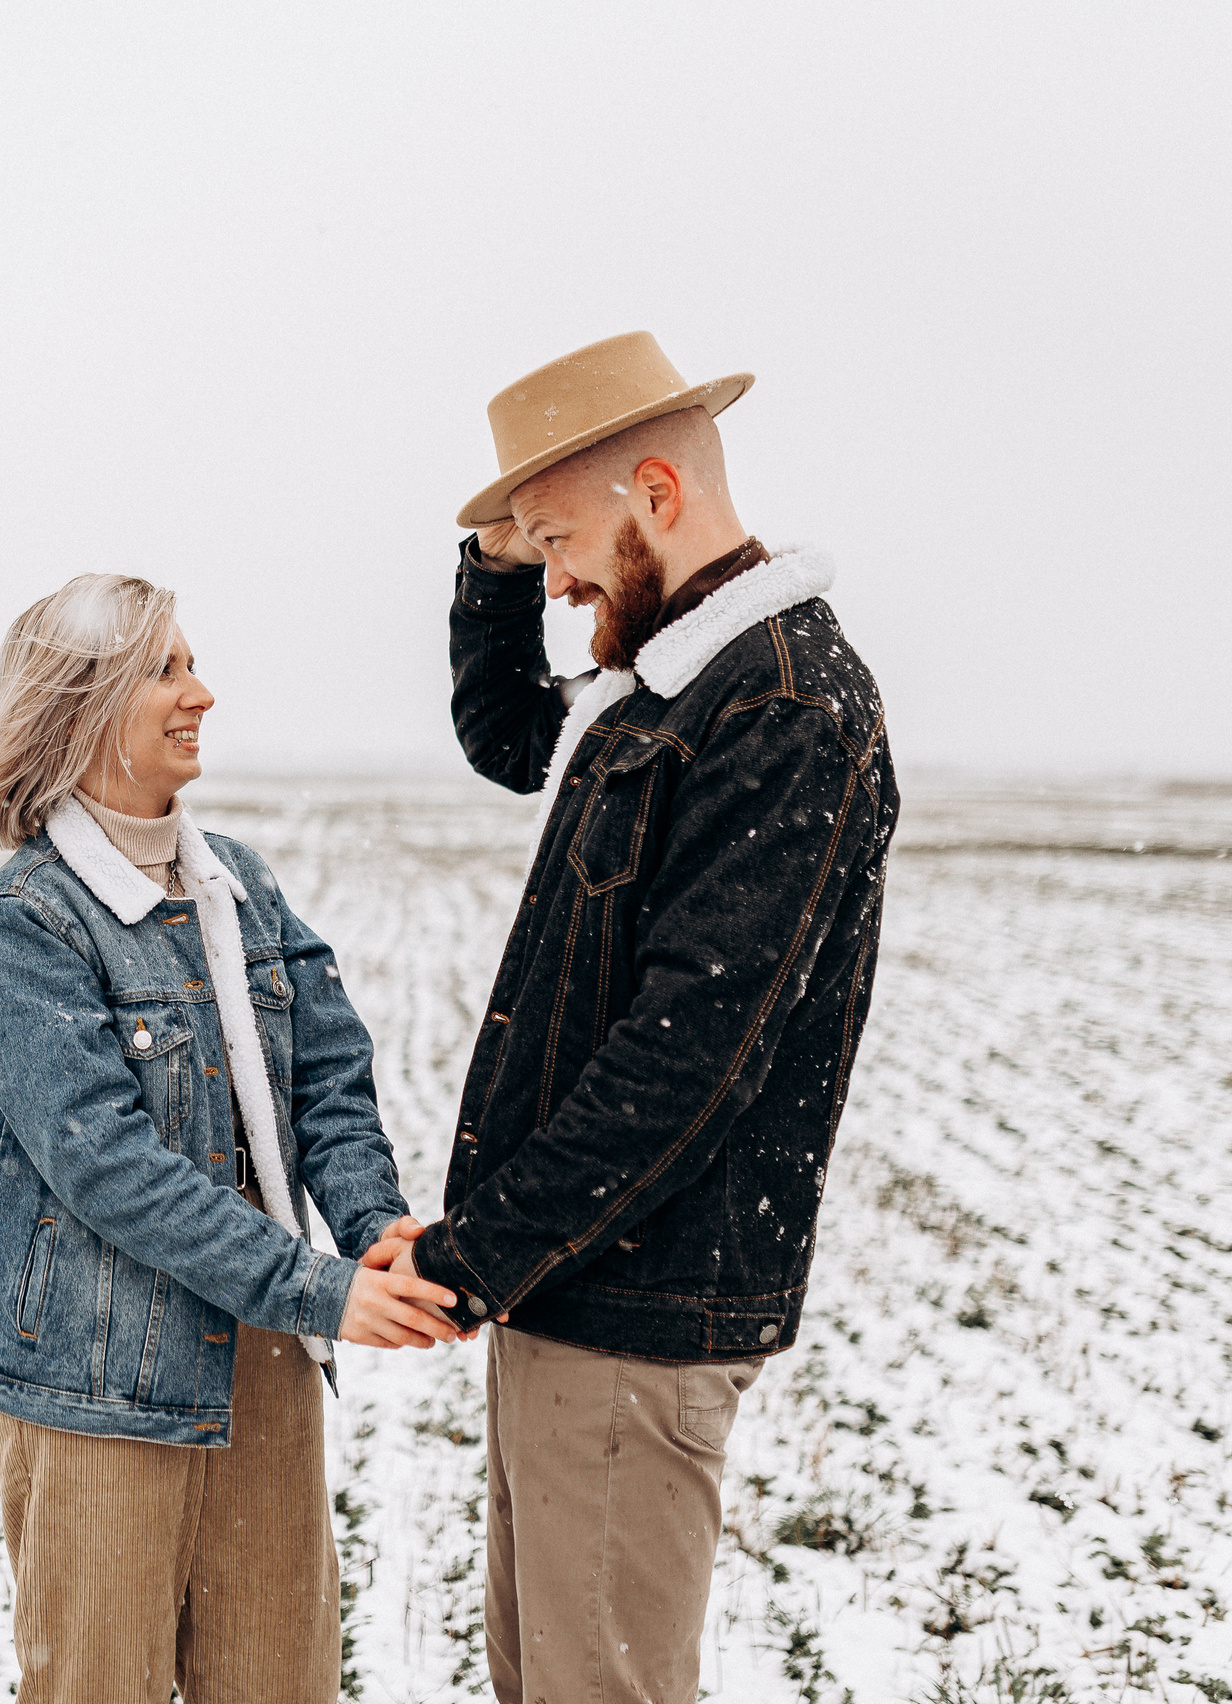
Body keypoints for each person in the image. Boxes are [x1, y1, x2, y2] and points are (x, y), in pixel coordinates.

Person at [383, 331, 896, 1704]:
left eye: (557, 541)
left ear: (656, 492)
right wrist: (494, 552)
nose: (553, 584)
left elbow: (693, 1056)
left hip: (635, 1309)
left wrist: (469, 1256)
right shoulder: (654, 689)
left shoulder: (780, 703)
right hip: (576, 1288)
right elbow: (505, 733)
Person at [0, 573, 460, 1703]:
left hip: (262, 1371)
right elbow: (107, 1166)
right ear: (81, 707)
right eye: (167, 671)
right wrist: (318, 1287)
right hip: (100, 1392)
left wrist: (372, 1227)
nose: (203, 695)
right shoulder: (23, 924)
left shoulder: (241, 886)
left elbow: (328, 1078)